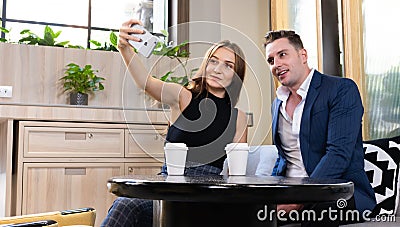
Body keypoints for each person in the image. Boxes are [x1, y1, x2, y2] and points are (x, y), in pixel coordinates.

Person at [101, 19, 248, 227]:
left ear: (236, 75)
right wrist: (124, 47)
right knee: (126, 205)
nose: (217, 69)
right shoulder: (183, 96)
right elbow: (145, 82)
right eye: (213, 61)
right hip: (167, 189)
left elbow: (237, 176)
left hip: (207, 198)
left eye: (228, 65)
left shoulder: (238, 117)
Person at [263, 30, 376, 226]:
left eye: (282, 54)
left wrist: (300, 199)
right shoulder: (277, 104)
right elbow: (286, 158)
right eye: (271, 60)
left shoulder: (341, 89)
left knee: (318, 213)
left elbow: (338, 154)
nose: (276, 64)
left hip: (337, 193)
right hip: (289, 192)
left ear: (303, 55)